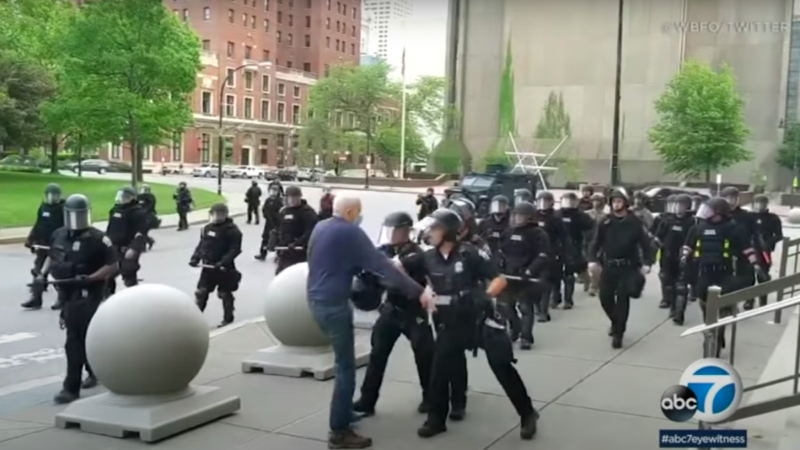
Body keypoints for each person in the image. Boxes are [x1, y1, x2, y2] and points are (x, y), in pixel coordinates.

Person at [400, 209, 539, 440]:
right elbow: (399, 268)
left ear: (449, 232)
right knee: (439, 371)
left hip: (480, 320)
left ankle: (527, 413)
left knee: (502, 367)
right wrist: (422, 290)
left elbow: (499, 279)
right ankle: (436, 419)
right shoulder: (427, 257)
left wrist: (485, 296)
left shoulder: (469, 254)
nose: (430, 232)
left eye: (435, 228)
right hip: (451, 323)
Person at [307, 195, 432, 449]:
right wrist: (419, 292)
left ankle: (347, 412)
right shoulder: (350, 233)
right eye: (359, 212)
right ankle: (339, 432)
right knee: (345, 368)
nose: (360, 217)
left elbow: (321, 259)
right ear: (351, 212)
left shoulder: (322, 226)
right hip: (334, 306)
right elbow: (383, 267)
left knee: (349, 361)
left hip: (315, 300)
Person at [353, 211, 434, 416]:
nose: (390, 234)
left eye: (395, 230)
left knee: (424, 355)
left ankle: (431, 397)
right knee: (377, 355)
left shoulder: (415, 253)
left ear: (406, 231)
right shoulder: (384, 250)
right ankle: (367, 400)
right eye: (388, 229)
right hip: (391, 309)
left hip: (413, 311)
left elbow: (394, 271)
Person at [47, 194, 118, 403]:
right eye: (72, 214)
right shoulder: (59, 234)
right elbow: (52, 258)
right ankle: (95, 370)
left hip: (87, 294)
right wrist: (43, 275)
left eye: (80, 214)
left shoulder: (98, 238)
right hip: (67, 294)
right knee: (84, 337)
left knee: (74, 341)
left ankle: (71, 387)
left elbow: (113, 265)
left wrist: (90, 278)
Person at [681, 197, 762, 357]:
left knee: (723, 305)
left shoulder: (734, 229)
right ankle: (709, 329)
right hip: (704, 271)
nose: (705, 212)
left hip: (724, 272)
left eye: (709, 209)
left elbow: (747, 249)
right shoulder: (698, 228)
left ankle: (719, 333)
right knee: (704, 301)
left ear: (719, 212)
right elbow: (688, 245)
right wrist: (684, 258)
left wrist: (756, 266)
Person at [588, 189, 654, 349]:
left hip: (628, 267)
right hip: (609, 266)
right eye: (613, 201)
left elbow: (646, 244)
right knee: (605, 298)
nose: (616, 204)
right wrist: (592, 259)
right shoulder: (605, 221)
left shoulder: (635, 222)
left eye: (619, 201)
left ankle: (619, 333)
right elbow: (595, 242)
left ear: (625, 202)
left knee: (623, 300)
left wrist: (647, 263)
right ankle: (615, 321)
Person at [498, 201, 550, 349]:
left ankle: (526, 337)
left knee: (525, 307)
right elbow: (500, 251)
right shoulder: (508, 232)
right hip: (509, 275)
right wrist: (499, 265)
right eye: (515, 215)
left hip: (526, 276)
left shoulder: (538, 234)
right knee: (507, 306)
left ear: (529, 217)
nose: (516, 218)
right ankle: (515, 329)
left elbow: (542, 255)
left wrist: (530, 271)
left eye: (520, 215)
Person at [189, 203, 243, 328]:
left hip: (224, 268)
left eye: (220, 214)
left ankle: (228, 318)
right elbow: (202, 244)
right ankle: (196, 318)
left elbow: (235, 249)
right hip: (208, 267)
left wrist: (223, 262)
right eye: (215, 214)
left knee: (225, 293)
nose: (217, 216)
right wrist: (195, 258)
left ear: (226, 215)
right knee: (201, 293)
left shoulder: (232, 230)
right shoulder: (207, 228)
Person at [22, 183, 65, 310]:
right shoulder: (43, 208)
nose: (52, 198)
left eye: (55, 195)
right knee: (38, 271)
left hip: (57, 245)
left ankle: (61, 299)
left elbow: (66, 228)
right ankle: (36, 298)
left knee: (58, 273)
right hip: (43, 244)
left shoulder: (63, 209)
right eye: (50, 195)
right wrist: (31, 239)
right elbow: (38, 225)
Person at [720, 186, 764, 310]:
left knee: (747, 276)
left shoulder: (746, 216)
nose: (731, 201)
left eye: (733, 198)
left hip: (744, 250)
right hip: (725, 250)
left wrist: (757, 251)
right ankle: (727, 301)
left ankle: (749, 298)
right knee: (726, 277)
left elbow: (754, 234)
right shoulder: (720, 214)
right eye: (728, 198)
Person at [653, 194, 694, 324]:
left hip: (684, 258)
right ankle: (671, 306)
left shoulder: (692, 222)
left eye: (681, 206)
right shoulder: (667, 221)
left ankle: (679, 313)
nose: (678, 208)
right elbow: (657, 237)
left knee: (681, 287)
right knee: (668, 284)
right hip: (667, 256)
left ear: (687, 207)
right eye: (676, 205)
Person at [533, 190, 574, 315]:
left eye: (546, 201)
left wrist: (566, 252)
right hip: (534, 251)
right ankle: (538, 305)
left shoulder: (556, 218)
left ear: (551, 203)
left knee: (553, 277)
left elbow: (564, 236)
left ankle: (554, 299)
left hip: (552, 251)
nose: (543, 204)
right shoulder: (533, 216)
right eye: (541, 201)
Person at [105, 186, 149, 296]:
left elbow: (141, 233)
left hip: (128, 247)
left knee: (128, 272)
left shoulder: (137, 212)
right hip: (114, 246)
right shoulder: (115, 210)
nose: (122, 199)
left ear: (131, 198)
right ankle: (108, 295)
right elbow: (109, 228)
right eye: (121, 196)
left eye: (125, 197)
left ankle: (134, 295)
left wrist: (134, 248)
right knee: (108, 273)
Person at [270, 186, 318, 274]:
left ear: (299, 197)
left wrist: (298, 243)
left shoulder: (307, 213)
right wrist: (273, 240)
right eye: (290, 197)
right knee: (281, 275)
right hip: (284, 252)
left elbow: (310, 231)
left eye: (295, 197)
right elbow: (278, 228)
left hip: (299, 252)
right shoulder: (284, 211)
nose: (292, 200)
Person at [558, 192, 594, 306]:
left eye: (571, 201)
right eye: (566, 200)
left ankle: (588, 282)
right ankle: (555, 297)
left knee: (579, 265)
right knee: (556, 272)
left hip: (575, 244)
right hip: (558, 246)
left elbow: (590, 226)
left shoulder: (579, 215)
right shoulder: (557, 215)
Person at [751, 194, 782, 306]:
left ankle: (763, 301)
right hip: (749, 250)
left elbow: (779, 235)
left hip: (764, 251)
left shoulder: (773, 218)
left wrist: (768, 242)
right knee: (748, 276)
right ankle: (749, 300)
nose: (760, 205)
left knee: (763, 276)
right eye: (757, 203)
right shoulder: (749, 217)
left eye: (762, 203)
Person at [584, 192, 607, 296]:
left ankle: (595, 285)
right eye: (594, 201)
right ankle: (588, 281)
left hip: (601, 242)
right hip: (588, 241)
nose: (596, 203)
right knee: (587, 263)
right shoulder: (586, 214)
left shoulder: (606, 216)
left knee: (598, 264)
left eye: (598, 201)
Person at [255, 185, 283, 261]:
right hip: (268, 223)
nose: (273, 192)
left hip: (277, 223)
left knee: (277, 239)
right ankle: (262, 254)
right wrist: (266, 216)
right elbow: (264, 209)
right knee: (265, 238)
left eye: (275, 190)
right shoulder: (268, 200)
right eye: (272, 190)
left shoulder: (280, 201)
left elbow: (281, 211)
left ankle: (278, 255)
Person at [137, 184, 158, 251]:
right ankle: (149, 241)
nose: (143, 190)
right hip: (140, 216)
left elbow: (151, 206)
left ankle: (143, 246)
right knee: (141, 232)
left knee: (143, 232)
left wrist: (144, 211)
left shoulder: (150, 197)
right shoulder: (139, 196)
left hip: (148, 216)